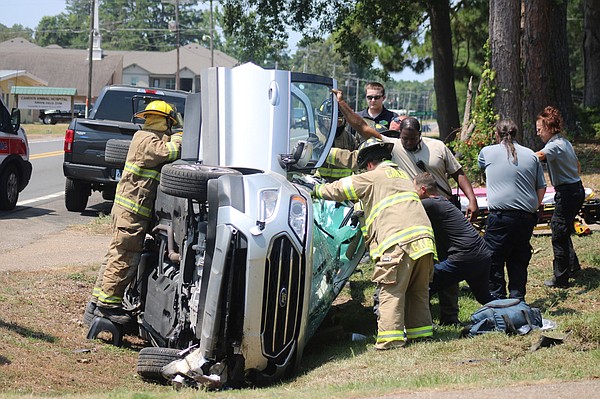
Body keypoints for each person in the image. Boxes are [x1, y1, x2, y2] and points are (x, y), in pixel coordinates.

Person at [332, 88, 479, 326]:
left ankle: (449, 314)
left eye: (412, 138)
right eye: (404, 138)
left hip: (441, 208)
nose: (408, 143)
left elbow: (458, 173)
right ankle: (420, 313)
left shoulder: (438, 147)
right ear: (399, 134)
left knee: (446, 260)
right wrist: (342, 104)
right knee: (421, 263)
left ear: (420, 134)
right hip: (416, 211)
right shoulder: (393, 145)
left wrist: (471, 199)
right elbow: (361, 126)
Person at [313, 138, 436, 350]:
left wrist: (314, 191)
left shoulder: (373, 177)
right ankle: (421, 335)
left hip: (398, 242)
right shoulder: (402, 176)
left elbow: (339, 189)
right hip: (425, 242)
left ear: (369, 164)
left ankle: (390, 340)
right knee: (418, 291)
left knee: (391, 291)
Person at [86, 100, 182, 325]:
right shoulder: (148, 140)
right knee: (124, 257)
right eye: (169, 124)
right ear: (166, 121)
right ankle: (108, 306)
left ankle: (97, 303)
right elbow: (166, 152)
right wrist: (180, 138)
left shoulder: (146, 137)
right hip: (131, 212)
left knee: (115, 255)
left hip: (131, 211)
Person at [478, 118, 546, 301]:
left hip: (500, 216)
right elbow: (541, 186)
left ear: (496, 134)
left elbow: (483, 169)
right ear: (516, 134)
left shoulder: (487, 152)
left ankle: (497, 299)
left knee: (493, 258)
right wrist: (534, 206)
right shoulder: (531, 155)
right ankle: (517, 298)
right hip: (525, 216)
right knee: (519, 257)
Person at [414, 172, 495, 309]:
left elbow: (405, 208)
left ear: (423, 190)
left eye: (414, 190)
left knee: (422, 287)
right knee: (485, 298)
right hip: (482, 255)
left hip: (464, 257)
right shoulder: (443, 201)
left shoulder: (429, 204)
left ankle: (420, 323)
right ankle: (516, 311)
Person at [535, 106, 585, 288]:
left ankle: (561, 278)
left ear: (549, 128)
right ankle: (573, 266)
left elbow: (537, 157)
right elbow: (578, 164)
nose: (537, 133)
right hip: (575, 189)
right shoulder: (564, 142)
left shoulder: (554, 146)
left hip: (567, 193)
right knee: (563, 229)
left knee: (558, 231)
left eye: (539, 129)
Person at [316, 100, 359, 182]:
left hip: (343, 187)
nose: (332, 124)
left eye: (338, 121)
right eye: (327, 120)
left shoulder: (350, 139)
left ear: (344, 121)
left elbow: (357, 164)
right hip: (318, 184)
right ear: (321, 120)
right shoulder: (315, 138)